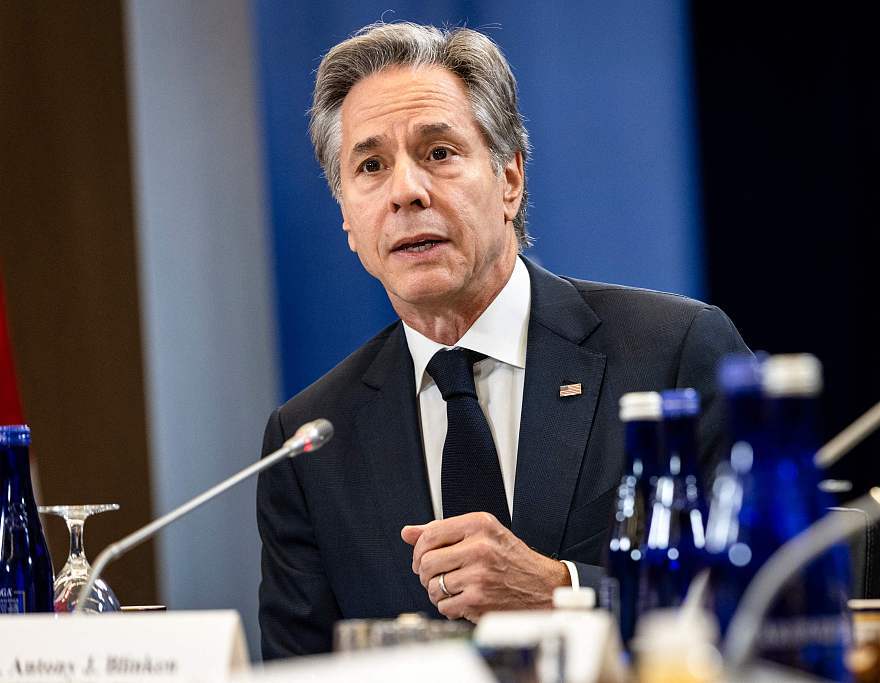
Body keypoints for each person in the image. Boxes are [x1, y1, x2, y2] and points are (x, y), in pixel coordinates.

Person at [257, 21, 750, 659]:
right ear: (348, 218)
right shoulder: (310, 442)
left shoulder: (672, 351)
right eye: (371, 166)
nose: (407, 191)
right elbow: (298, 667)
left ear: (510, 178)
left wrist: (564, 592)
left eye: (439, 152)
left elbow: (770, 595)